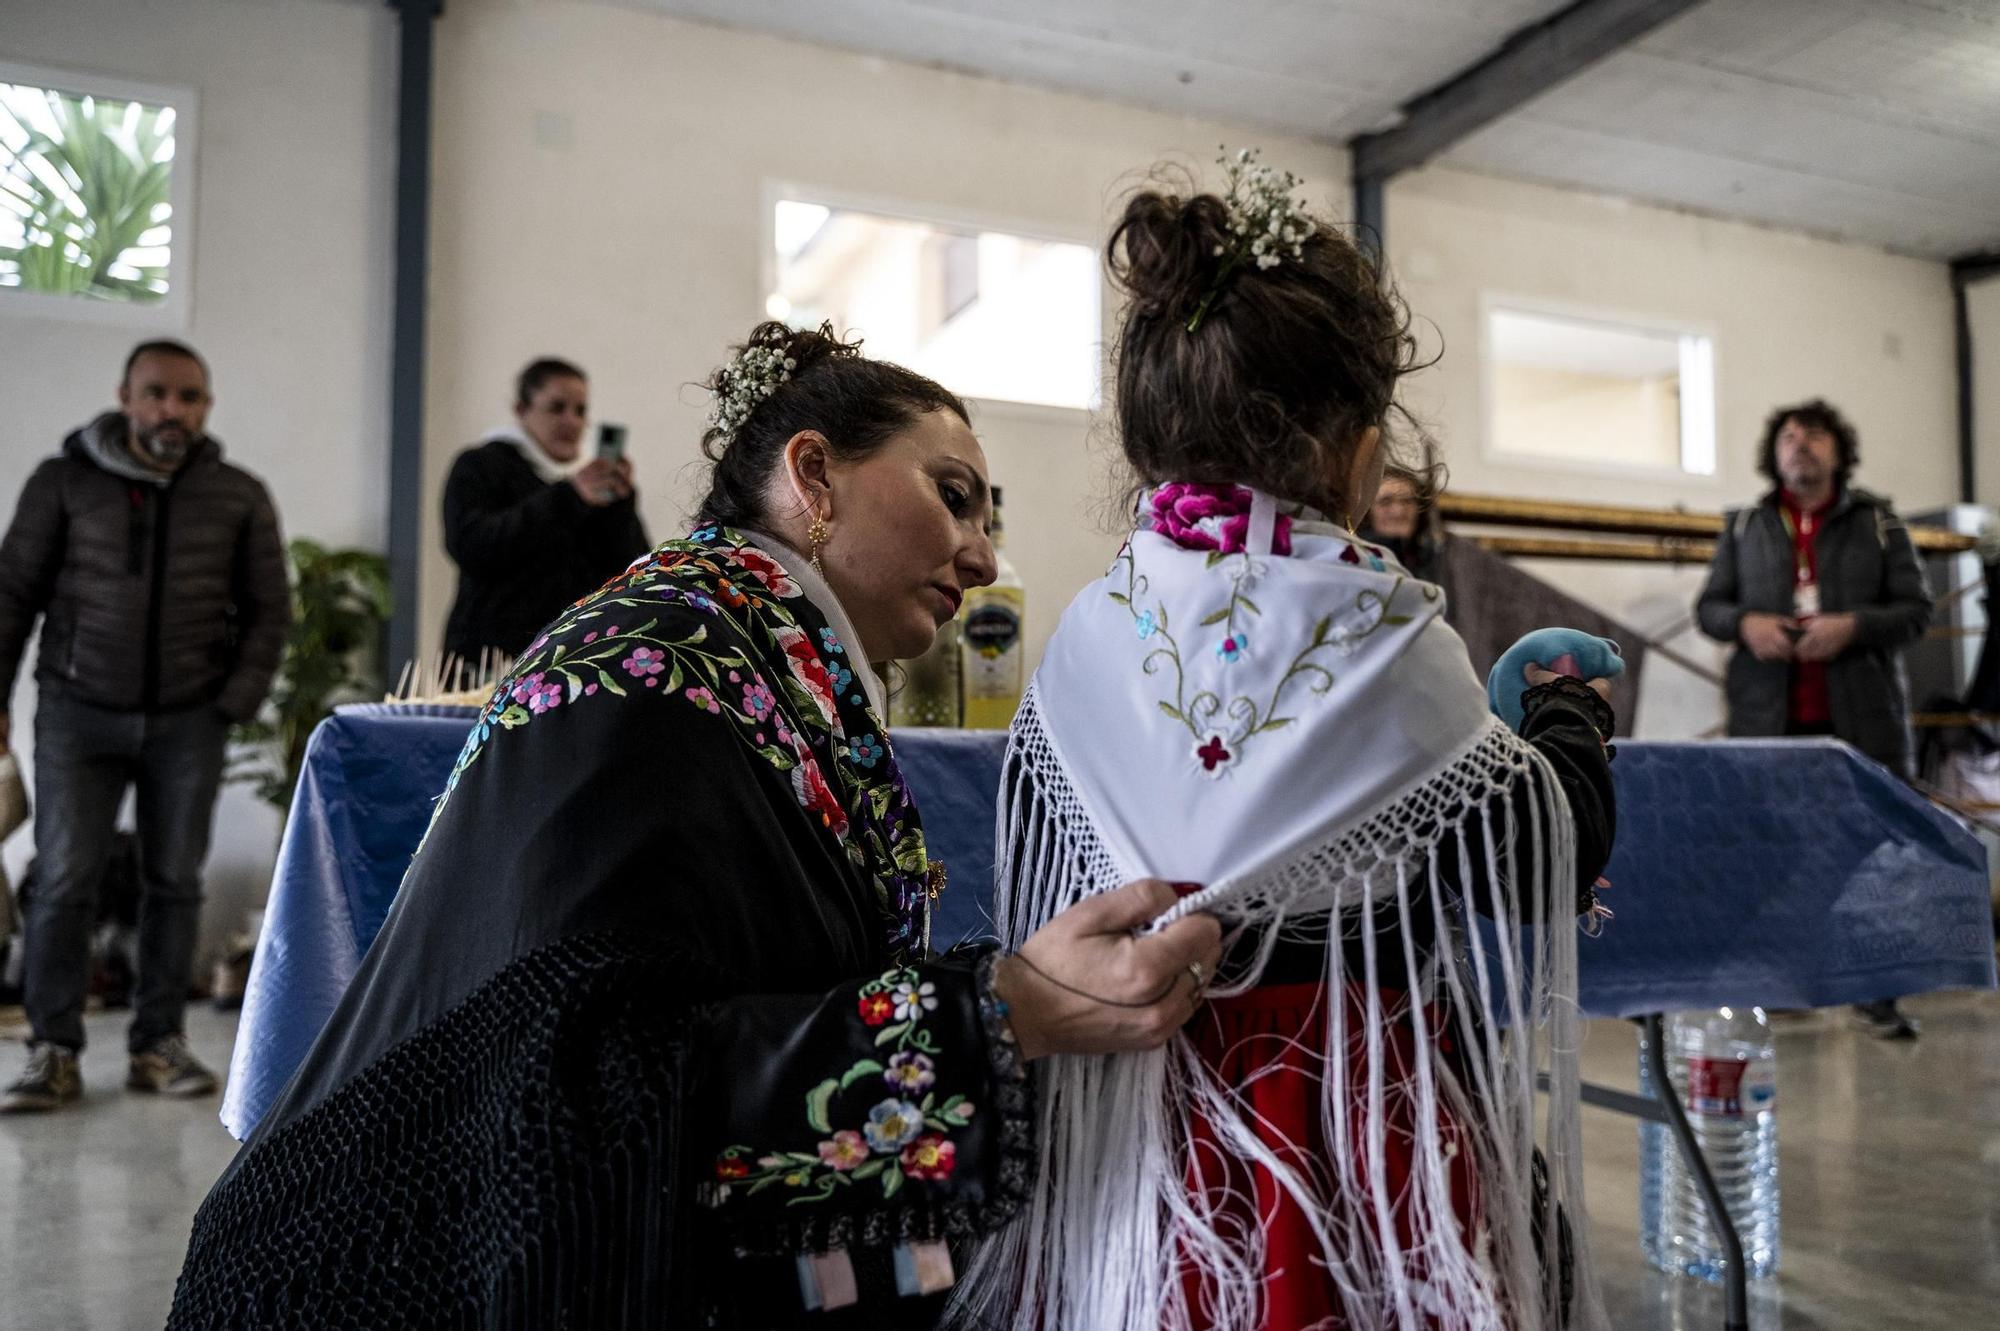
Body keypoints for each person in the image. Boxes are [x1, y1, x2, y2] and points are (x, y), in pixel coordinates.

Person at [168, 322, 1223, 1329]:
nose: (981, 555)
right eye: (953, 498)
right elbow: (584, 1096)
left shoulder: (740, 652)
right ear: (813, 476)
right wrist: (1003, 1010)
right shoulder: (662, 659)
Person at [956, 156, 1617, 1331]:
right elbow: (1527, 858)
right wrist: (1564, 715)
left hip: (1134, 1114)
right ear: (1360, 455)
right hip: (1350, 1121)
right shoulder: (1377, 625)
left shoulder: (1091, 629)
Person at [0, 340, 290, 1113]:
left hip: (189, 719)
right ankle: (52, 1050)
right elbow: (12, 595)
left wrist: (232, 702)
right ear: (125, 396)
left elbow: (270, 611)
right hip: (75, 711)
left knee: (175, 883)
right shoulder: (62, 483)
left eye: (190, 397)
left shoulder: (237, 494)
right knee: (64, 878)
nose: (173, 410)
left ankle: (158, 1043)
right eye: (157, 393)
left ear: (207, 406)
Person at [1697, 399, 1933, 1039]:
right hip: (1768, 725)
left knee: (1875, 855)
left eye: (1814, 435)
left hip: (1863, 722)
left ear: (1839, 449)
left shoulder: (1880, 520)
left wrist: (1853, 627)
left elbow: (1916, 611)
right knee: (1770, 854)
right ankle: (1777, 984)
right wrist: (1745, 623)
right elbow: (1710, 608)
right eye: (1789, 437)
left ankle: (1878, 994)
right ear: (1774, 454)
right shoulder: (1746, 524)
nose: (1800, 446)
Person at [440, 358, 651, 665]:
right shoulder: (481, 465)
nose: (572, 421)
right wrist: (568, 496)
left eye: (581, 411)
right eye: (557, 407)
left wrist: (620, 505)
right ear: (521, 409)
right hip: (488, 660)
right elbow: (471, 544)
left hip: (571, 660)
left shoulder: (589, 485)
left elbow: (633, 575)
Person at [1359, 467, 1441, 582]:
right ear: (1367, 511)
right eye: (1385, 502)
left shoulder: (1440, 560)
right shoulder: (1355, 560)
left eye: (1407, 501)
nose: (1398, 511)